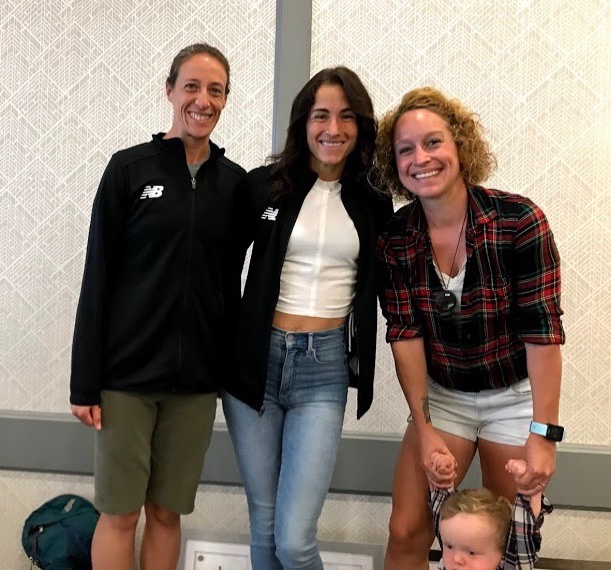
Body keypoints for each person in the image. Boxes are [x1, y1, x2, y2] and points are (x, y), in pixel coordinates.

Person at [373, 87, 565, 569]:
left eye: (433, 142)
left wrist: (543, 435)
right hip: (443, 396)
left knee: (503, 543)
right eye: (405, 149)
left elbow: (543, 334)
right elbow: (405, 336)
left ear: (460, 146)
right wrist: (425, 431)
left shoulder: (519, 221)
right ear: (394, 164)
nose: (421, 158)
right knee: (405, 530)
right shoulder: (396, 237)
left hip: (513, 397)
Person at [70, 43, 245, 570]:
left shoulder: (233, 185)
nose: (202, 100)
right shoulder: (129, 169)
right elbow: (97, 275)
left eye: (215, 90)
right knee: (120, 513)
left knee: (167, 514)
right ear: (170, 91)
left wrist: (228, 371)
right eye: (191, 86)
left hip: (195, 384)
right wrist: (84, 382)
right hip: (125, 379)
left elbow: (230, 285)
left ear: (226, 99)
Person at [222, 67, 393, 569]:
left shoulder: (374, 201)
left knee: (295, 540)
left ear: (361, 125)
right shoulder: (263, 187)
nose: (332, 128)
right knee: (265, 523)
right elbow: (219, 271)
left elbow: (394, 282)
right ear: (303, 122)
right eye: (321, 115)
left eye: (346, 116)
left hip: (324, 368)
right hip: (255, 361)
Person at [430, 453, 551, 570]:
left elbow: (524, 534)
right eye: (449, 546)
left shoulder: (511, 565)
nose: (456, 558)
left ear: (502, 553)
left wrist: (528, 486)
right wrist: (442, 472)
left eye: (471, 553)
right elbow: (440, 508)